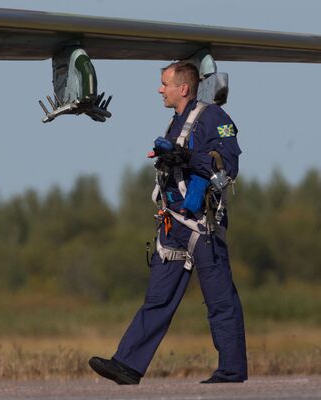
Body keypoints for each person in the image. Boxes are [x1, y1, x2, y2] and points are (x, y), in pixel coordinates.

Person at [89, 61, 247, 384]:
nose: (160, 89)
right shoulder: (175, 123)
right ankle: (127, 365)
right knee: (157, 300)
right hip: (173, 228)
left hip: (203, 227)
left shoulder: (213, 118)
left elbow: (228, 164)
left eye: (165, 84)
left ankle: (231, 371)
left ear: (183, 88)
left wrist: (189, 158)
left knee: (220, 301)